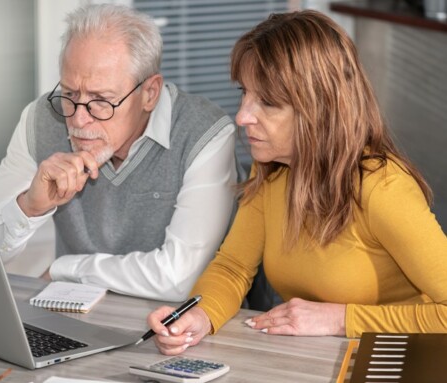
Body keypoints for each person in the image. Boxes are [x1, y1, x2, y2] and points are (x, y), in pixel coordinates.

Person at [146, 9, 447, 355]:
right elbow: (233, 268)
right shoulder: (271, 170)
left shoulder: (382, 188)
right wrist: (200, 315)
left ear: (320, 109)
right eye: (245, 92)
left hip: (403, 358)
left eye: (268, 102)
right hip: (317, 360)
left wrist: (340, 320)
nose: (242, 115)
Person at [0, 4, 242, 302]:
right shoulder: (41, 119)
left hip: (181, 328)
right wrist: (28, 206)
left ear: (149, 93)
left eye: (101, 100)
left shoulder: (205, 132)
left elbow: (179, 278)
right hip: (74, 317)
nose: (79, 120)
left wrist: (66, 269)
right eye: (70, 94)